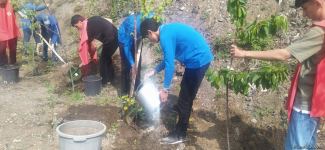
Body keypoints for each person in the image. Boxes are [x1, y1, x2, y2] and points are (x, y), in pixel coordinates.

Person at [230, 0, 325, 149]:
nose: (304, 14)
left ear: (317, 3)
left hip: (305, 105)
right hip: (315, 102)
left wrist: (243, 53)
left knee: (296, 146)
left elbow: (284, 54)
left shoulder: (319, 33)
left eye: (305, 8)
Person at [141, 18, 213, 144]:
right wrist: (155, 70)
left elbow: (170, 65)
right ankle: (181, 107)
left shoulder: (165, 36)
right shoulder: (167, 31)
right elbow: (169, 58)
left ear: (150, 32)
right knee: (184, 87)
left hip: (198, 61)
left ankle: (180, 134)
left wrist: (165, 89)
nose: (151, 42)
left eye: (148, 39)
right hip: (198, 58)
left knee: (186, 99)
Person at [71, 14, 118, 85]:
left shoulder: (87, 29)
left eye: (76, 26)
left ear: (80, 21)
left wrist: (87, 60)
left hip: (111, 38)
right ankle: (112, 78)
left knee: (103, 60)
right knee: (107, 58)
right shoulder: (90, 21)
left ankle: (103, 82)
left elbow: (92, 47)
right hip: (116, 35)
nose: (77, 29)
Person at [118, 13, 153, 95]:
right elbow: (126, 46)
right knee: (126, 65)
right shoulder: (132, 25)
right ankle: (125, 90)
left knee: (138, 63)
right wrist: (132, 63)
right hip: (124, 39)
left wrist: (135, 64)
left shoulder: (150, 17)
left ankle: (137, 86)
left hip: (138, 37)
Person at [0, 0, 20, 66]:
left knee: (13, 47)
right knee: (2, 48)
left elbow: (17, 12)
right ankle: (3, 64)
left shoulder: (12, 3)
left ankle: (13, 63)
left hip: (11, 29)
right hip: (1, 30)